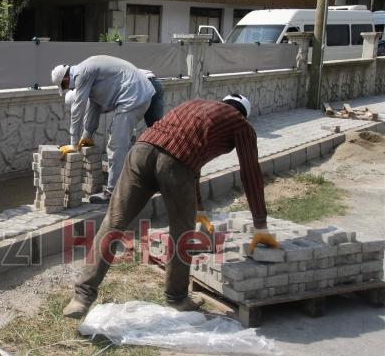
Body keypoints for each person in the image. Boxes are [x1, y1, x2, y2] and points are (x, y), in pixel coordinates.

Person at [62, 94, 278, 318]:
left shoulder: (195, 104)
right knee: (181, 233)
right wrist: (260, 226)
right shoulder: (240, 123)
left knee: (114, 223)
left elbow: (192, 161)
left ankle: (81, 297)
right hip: (175, 163)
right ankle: (177, 298)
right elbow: (250, 173)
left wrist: (200, 212)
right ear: (243, 113)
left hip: (141, 151)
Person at [51, 56, 157, 204]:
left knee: (115, 145)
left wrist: (73, 143)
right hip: (137, 93)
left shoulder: (82, 73)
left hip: (133, 95)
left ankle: (112, 192)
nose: (70, 89)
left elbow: (78, 109)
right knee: (122, 143)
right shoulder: (89, 74)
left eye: (65, 86)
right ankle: (134, 181)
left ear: (66, 80)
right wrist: (87, 135)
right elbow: (94, 107)